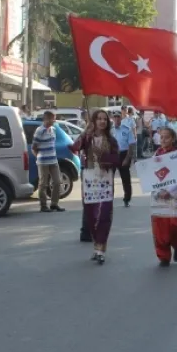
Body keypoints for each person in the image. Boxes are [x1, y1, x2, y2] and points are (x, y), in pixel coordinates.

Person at [69, 109, 120, 263]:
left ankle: (101, 249)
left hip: (105, 180)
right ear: (94, 121)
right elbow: (74, 147)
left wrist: (106, 159)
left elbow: (117, 159)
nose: (102, 121)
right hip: (89, 179)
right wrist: (85, 134)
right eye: (99, 119)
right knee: (91, 214)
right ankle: (96, 245)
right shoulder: (87, 137)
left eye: (105, 119)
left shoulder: (111, 140)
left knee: (104, 214)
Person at [151, 127, 177, 266]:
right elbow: (150, 174)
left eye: (166, 137)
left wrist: (170, 191)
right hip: (160, 194)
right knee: (160, 224)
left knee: (175, 225)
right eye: (161, 137)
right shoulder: (156, 154)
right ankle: (163, 255)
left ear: (173, 139)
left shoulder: (176, 155)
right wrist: (158, 191)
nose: (163, 140)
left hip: (175, 194)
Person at [32, 111, 64, 212]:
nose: (54, 121)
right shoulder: (39, 130)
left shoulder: (53, 130)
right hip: (43, 161)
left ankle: (54, 204)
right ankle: (43, 205)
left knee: (57, 182)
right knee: (43, 183)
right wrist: (39, 157)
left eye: (54, 118)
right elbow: (34, 147)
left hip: (53, 160)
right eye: (52, 118)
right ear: (46, 119)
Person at [114, 113, 136, 207]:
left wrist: (127, 158)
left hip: (124, 154)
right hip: (112, 155)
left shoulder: (126, 130)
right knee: (109, 178)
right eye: (115, 117)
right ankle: (108, 198)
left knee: (125, 179)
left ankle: (127, 199)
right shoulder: (110, 130)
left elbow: (131, 145)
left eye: (118, 117)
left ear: (121, 118)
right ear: (112, 118)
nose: (117, 119)